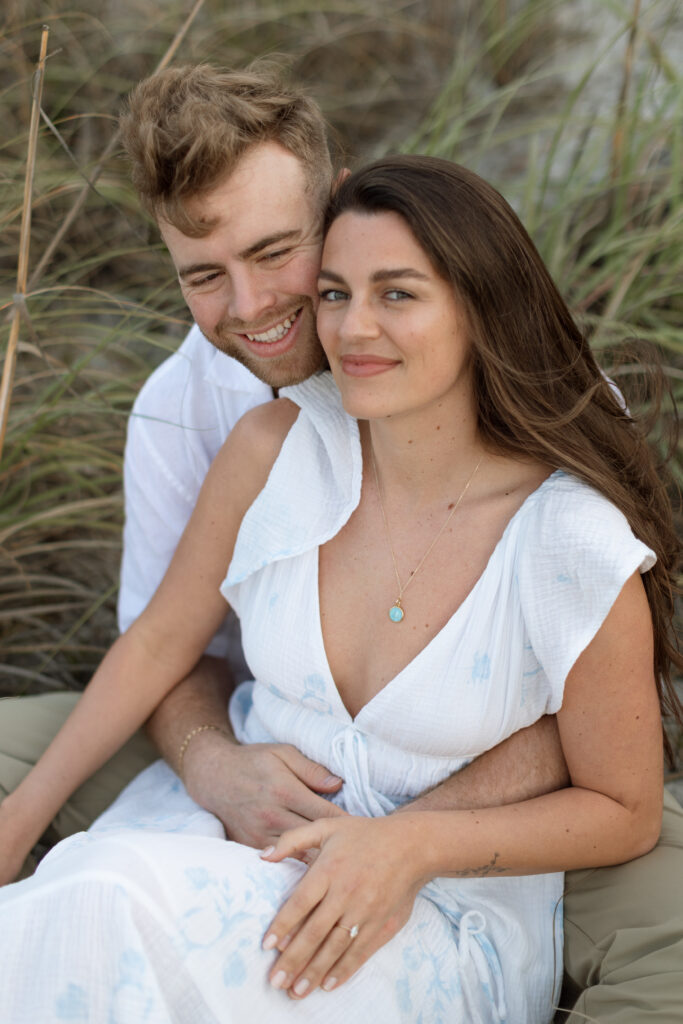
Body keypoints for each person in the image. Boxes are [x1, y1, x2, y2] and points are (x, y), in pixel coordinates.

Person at [0, 65, 681, 1022]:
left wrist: (407, 840)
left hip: (448, 876)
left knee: (104, 904)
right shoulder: (243, 435)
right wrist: (128, 788)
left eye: (392, 292)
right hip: (239, 810)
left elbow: (616, 778)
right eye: (205, 274)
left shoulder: (564, 509)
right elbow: (163, 644)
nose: (337, 323)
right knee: (83, 899)